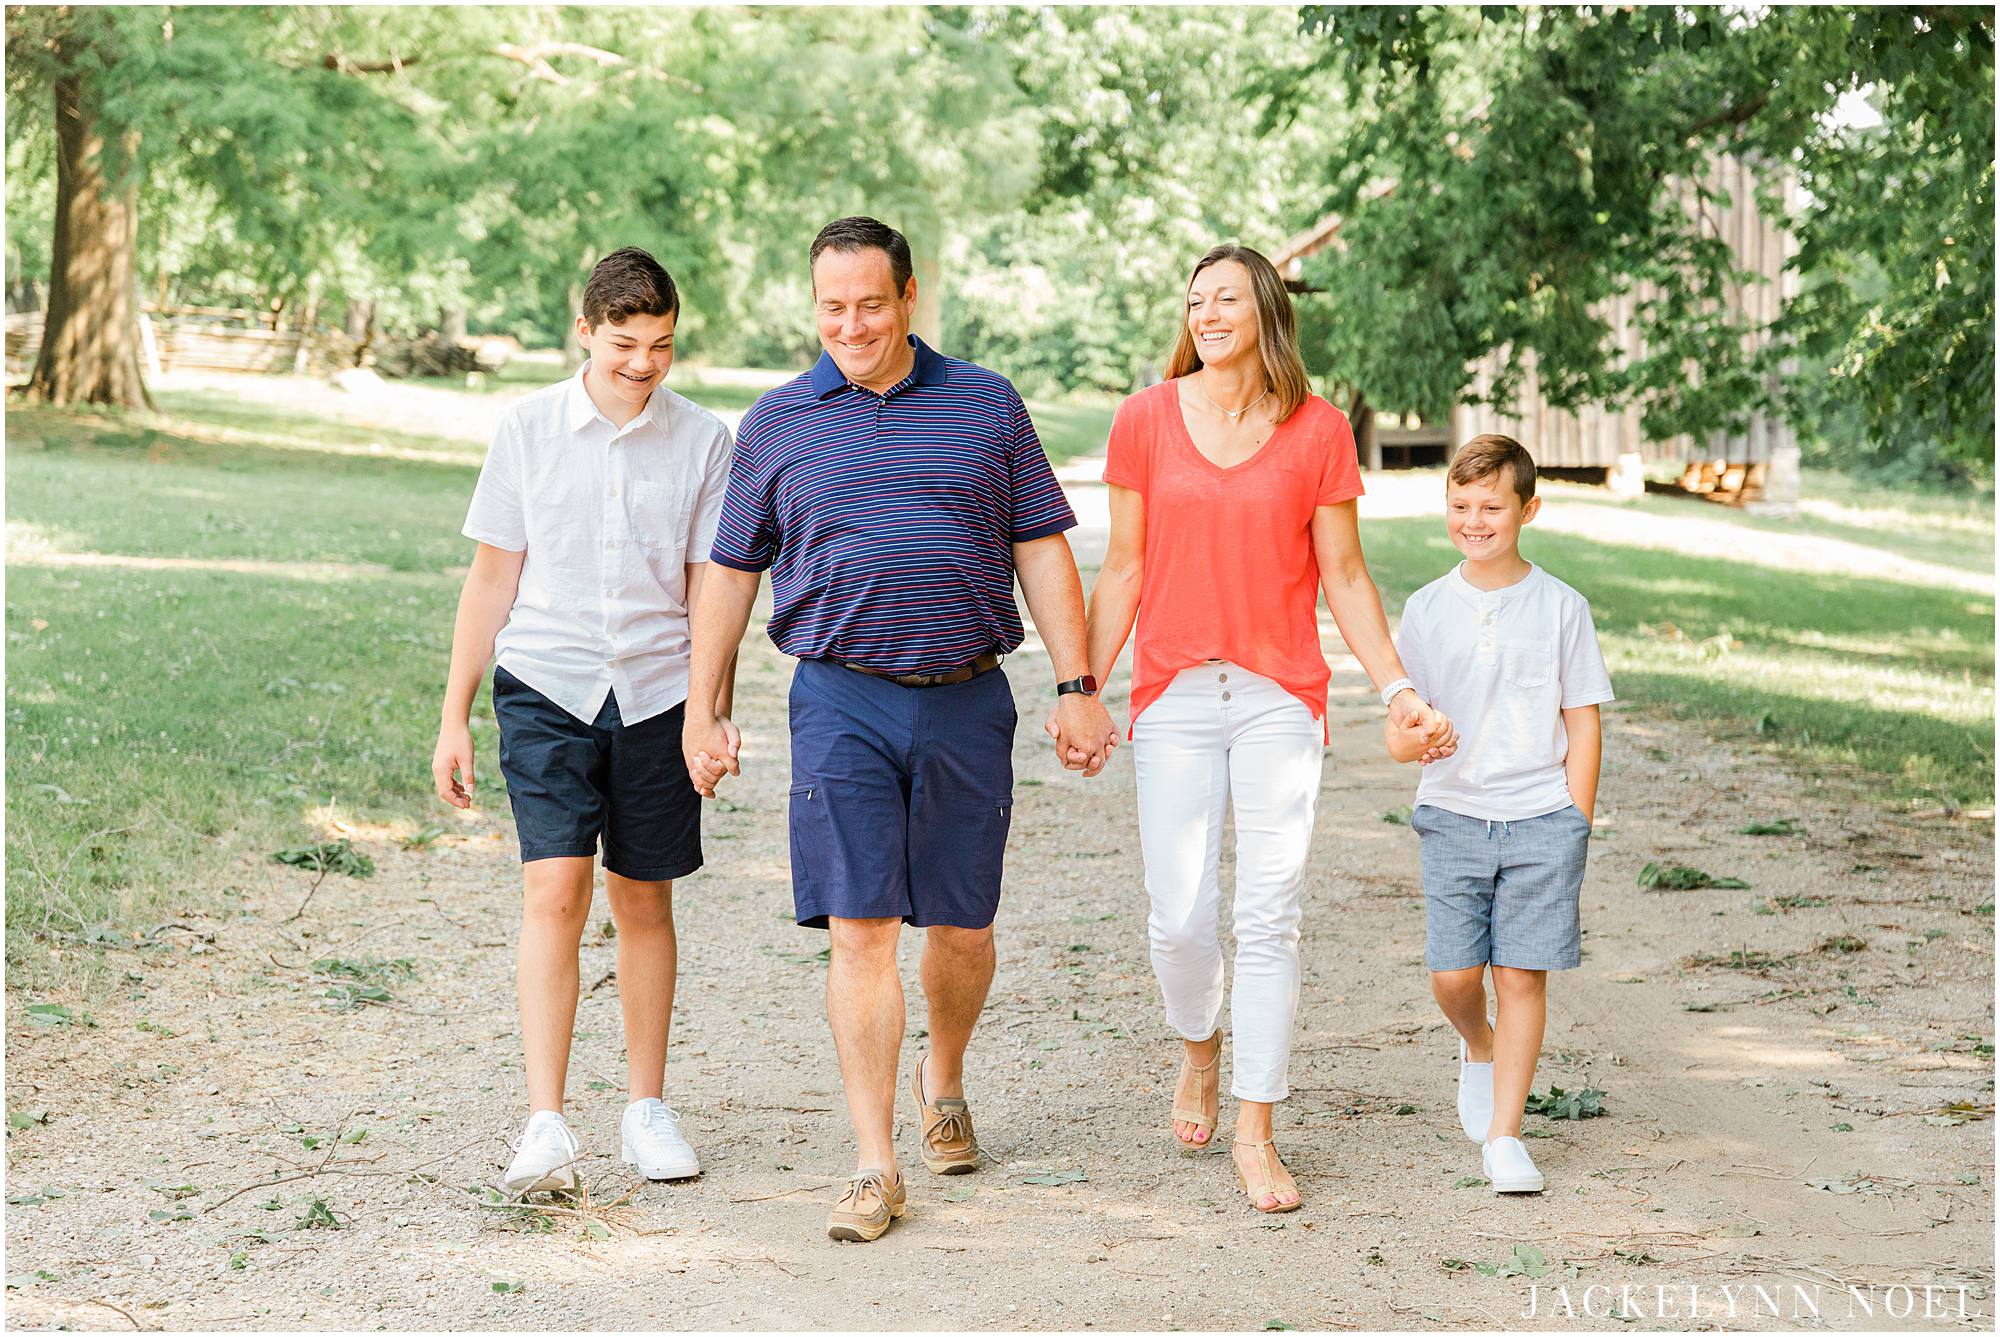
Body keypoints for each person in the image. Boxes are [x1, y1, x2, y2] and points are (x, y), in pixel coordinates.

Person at [682, 216, 1118, 1243]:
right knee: (860, 926)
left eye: (870, 304)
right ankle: (873, 1162)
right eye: (831, 308)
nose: (851, 325)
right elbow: (732, 573)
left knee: (961, 926)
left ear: (910, 296)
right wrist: (705, 708)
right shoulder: (778, 422)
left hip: (967, 696)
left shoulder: (985, 405)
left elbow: (1043, 551)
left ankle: (946, 1077)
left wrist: (1078, 682)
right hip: (839, 698)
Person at [1079, 243, 1456, 1214]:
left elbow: (1343, 574)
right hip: (1172, 694)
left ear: (1265, 316)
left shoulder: (1316, 428)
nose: (1206, 313)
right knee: (1179, 911)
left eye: (1226, 298)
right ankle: (1197, 1048)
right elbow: (1121, 566)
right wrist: (1082, 681)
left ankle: (1257, 1127)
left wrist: (1396, 685)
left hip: (1277, 696)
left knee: (1268, 913)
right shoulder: (1144, 420)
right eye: (1195, 298)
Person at [431, 247, 737, 1194]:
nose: (643, 364)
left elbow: (709, 594)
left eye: (662, 346)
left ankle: (646, 1109)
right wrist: (454, 717)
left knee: (644, 895)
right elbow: (491, 578)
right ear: (584, 331)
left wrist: (711, 713)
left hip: (657, 694)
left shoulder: (704, 441)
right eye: (623, 345)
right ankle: (546, 1123)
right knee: (555, 891)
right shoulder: (524, 429)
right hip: (547, 682)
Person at [1384, 433, 1613, 1194]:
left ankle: (1506, 1136)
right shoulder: (1426, 609)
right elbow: (1394, 731)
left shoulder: (1560, 607)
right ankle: (1477, 1044)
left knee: (1521, 974)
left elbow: (1583, 720)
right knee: (1455, 976)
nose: (1474, 520)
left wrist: (1575, 818)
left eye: (1491, 506)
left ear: (1528, 509)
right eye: (1459, 506)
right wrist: (1415, 736)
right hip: (1452, 811)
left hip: (1542, 815)